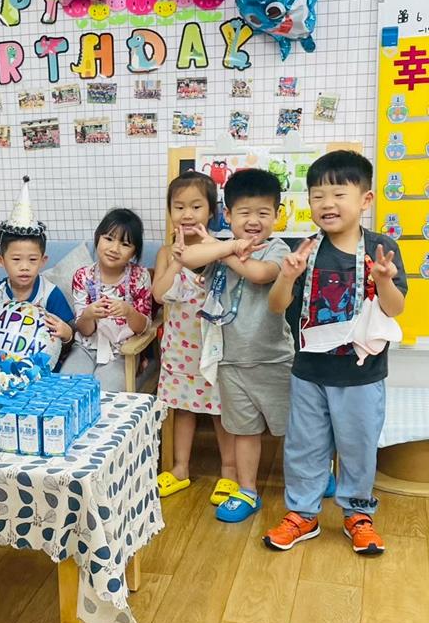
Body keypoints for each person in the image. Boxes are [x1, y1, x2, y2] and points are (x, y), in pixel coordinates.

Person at [263, 151, 407, 555]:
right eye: (317, 195)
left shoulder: (381, 248)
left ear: (365, 200)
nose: (327, 203)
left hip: (362, 375)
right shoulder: (304, 249)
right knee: (304, 447)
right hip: (309, 371)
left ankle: (358, 514)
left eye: (339, 194)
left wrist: (384, 282)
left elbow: (395, 309)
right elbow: (276, 307)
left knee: (358, 447)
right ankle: (302, 514)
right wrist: (287, 277)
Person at [178, 169, 293, 523]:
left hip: (273, 361)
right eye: (244, 213)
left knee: (292, 429)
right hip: (229, 360)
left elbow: (259, 274)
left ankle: (311, 478)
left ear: (277, 215)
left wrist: (223, 250)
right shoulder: (222, 247)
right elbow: (187, 258)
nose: (253, 220)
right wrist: (226, 246)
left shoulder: (278, 249)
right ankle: (247, 490)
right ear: (228, 215)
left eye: (263, 212)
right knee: (243, 431)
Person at [153, 171, 238, 503]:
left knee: (219, 410)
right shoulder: (165, 253)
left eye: (196, 206)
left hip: (214, 347)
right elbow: (159, 295)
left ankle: (229, 472)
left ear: (211, 211)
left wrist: (214, 250)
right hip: (179, 346)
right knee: (183, 408)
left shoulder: (219, 248)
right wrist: (177, 262)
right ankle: (180, 468)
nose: (187, 214)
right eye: (179, 207)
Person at [60, 208, 152, 391]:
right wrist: (88, 315)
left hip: (123, 353)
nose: (114, 249)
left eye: (125, 244)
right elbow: (85, 331)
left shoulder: (140, 276)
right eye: (108, 239)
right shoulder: (83, 276)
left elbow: (143, 327)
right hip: (85, 348)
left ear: (134, 251)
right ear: (98, 238)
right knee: (66, 389)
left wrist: (129, 312)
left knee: (104, 395)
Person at [0, 177, 74, 357]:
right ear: (0, 260)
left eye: (32, 259)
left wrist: (67, 334)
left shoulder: (50, 293)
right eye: (16, 259)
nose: (24, 267)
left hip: (41, 362)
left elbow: (70, 333)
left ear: (43, 261)